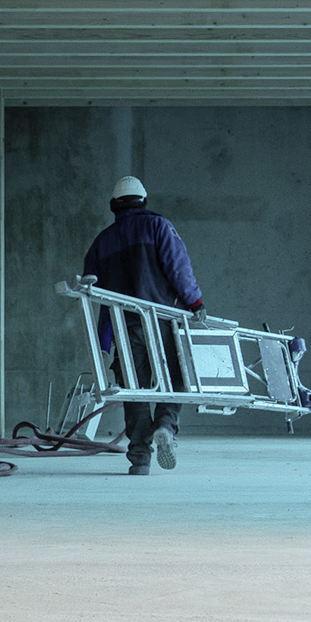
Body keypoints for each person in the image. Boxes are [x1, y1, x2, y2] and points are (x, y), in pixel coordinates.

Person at [83, 175, 203, 474]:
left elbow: (98, 297)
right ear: (143, 201)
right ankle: (165, 427)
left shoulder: (101, 243)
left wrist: (104, 342)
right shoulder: (158, 226)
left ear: (114, 206)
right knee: (176, 381)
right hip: (163, 321)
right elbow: (178, 268)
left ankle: (139, 459)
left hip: (125, 329)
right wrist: (195, 302)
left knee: (134, 391)